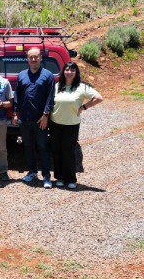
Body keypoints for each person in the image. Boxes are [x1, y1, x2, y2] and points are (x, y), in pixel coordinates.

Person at [50, 61, 104, 189]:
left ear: (76, 72)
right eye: (67, 70)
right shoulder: (57, 86)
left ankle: (71, 179)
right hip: (55, 124)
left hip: (71, 125)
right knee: (57, 151)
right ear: (63, 72)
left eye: (72, 70)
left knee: (69, 152)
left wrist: (84, 106)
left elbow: (99, 98)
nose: (69, 72)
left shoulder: (81, 87)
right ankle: (59, 178)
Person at [14, 47, 56, 189]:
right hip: (25, 119)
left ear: (40, 58)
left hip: (40, 120)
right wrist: (15, 113)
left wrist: (45, 115)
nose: (33, 59)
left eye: (36, 57)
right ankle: (32, 172)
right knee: (28, 146)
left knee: (43, 147)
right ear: (27, 59)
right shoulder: (21, 75)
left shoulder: (48, 75)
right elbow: (17, 95)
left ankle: (46, 176)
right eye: (31, 57)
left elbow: (51, 97)